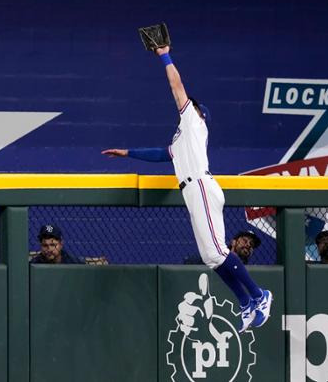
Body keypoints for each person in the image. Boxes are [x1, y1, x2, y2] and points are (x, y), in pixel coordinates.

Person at [102, 45, 272, 333]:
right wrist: (127, 152)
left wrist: (163, 55)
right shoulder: (182, 138)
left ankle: (259, 295)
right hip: (194, 192)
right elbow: (161, 153)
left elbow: (176, 85)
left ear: (197, 112)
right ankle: (245, 302)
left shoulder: (193, 120)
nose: (182, 104)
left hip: (201, 186)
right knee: (211, 257)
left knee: (218, 252)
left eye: (187, 104)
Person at [184, 230, 262, 265]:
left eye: (251, 244)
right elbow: (189, 262)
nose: (248, 245)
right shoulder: (216, 258)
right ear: (233, 242)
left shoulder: (248, 271)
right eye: (245, 241)